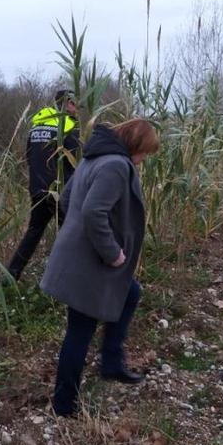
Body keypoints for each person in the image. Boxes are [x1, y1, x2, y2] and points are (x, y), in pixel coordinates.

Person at [39, 118, 160, 418]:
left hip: (79, 258)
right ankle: (64, 405)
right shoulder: (116, 165)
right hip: (91, 262)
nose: (144, 160)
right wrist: (112, 252)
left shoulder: (94, 158)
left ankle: (111, 361)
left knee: (129, 292)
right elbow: (94, 212)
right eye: (144, 152)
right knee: (80, 331)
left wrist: (78, 236)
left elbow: (67, 200)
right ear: (134, 144)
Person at [6, 90, 81, 282]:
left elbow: (29, 157)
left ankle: (11, 275)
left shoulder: (37, 125)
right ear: (65, 105)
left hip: (37, 187)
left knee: (34, 231)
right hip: (59, 191)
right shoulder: (67, 126)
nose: (77, 108)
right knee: (72, 234)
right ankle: (65, 279)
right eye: (74, 104)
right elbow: (72, 165)